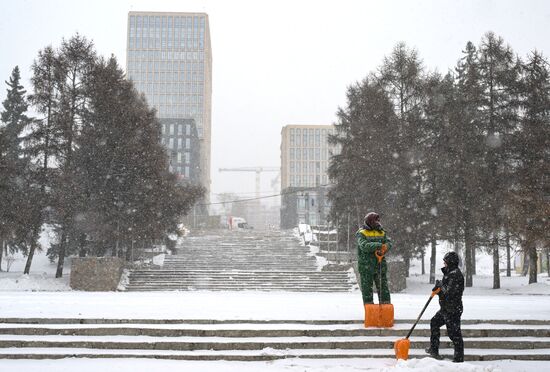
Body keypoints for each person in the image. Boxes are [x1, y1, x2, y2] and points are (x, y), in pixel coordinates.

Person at [426, 251, 465, 363]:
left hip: (453, 310)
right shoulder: (449, 273)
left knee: (454, 334)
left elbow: (449, 292)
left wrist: (440, 285)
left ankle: (458, 359)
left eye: (445, 262)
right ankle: (434, 350)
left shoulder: (456, 275)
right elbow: (444, 292)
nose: (444, 264)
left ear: (451, 262)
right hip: (445, 309)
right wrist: (437, 290)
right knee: (434, 322)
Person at [356, 212, 392, 305]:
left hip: (380, 265)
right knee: (367, 290)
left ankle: (385, 309)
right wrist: (379, 245)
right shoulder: (361, 233)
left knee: (384, 289)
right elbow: (364, 246)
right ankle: (370, 311)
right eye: (375, 221)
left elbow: (388, 243)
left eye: (378, 221)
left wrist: (385, 247)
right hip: (366, 266)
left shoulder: (382, 232)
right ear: (369, 222)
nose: (378, 223)